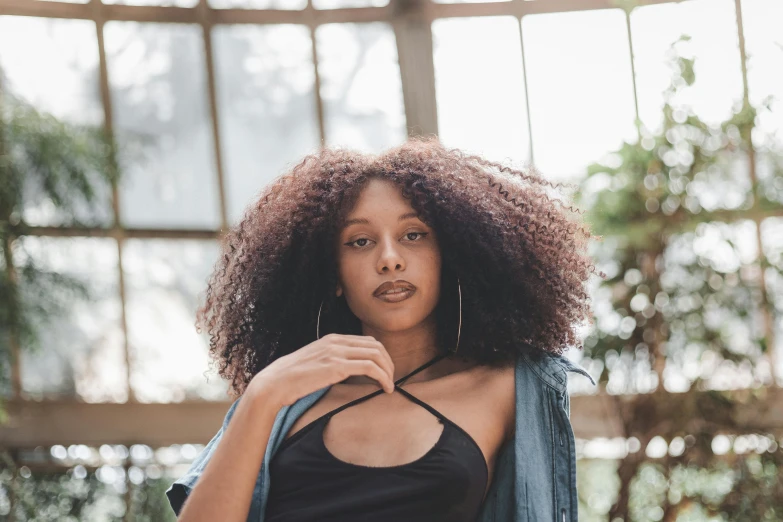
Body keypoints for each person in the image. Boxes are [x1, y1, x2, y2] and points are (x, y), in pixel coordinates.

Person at [165, 136, 602, 521]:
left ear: (451, 257)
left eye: (414, 235)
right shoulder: (282, 402)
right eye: (360, 241)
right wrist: (260, 396)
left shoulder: (511, 388)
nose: (389, 259)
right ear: (332, 275)